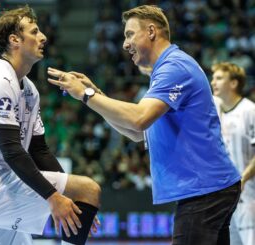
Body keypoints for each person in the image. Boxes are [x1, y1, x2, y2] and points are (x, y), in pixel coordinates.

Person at [47, 5, 241, 245]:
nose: (125, 44)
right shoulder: (165, 69)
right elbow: (137, 132)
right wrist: (93, 94)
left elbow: (138, 119)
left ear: (151, 31)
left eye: (129, 34)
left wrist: (87, 95)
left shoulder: (174, 68)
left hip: (204, 190)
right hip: (209, 188)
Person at [0, 6, 101, 245]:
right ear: (14, 40)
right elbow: (12, 151)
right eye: (34, 31)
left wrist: (70, 198)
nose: (43, 37)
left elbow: (39, 151)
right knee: (89, 189)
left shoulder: (29, 89)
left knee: (79, 193)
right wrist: (56, 197)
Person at [211, 62, 255, 245]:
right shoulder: (217, 115)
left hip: (250, 197)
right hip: (227, 200)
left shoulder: (250, 111)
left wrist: (243, 179)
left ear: (234, 83)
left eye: (219, 78)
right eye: (213, 78)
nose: (213, 82)